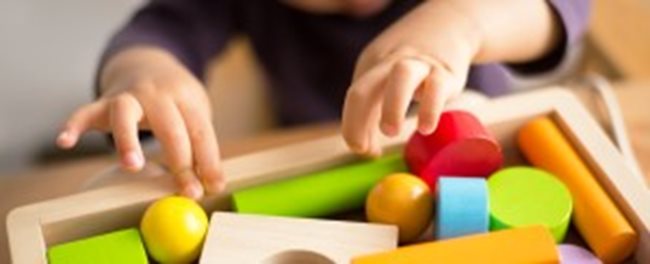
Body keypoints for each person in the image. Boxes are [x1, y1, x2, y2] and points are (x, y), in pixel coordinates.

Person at [56, 0, 590, 199]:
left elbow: (562, 10)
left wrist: (464, 20)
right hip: (312, 141)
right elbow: (159, 28)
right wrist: (143, 74)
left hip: (471, 150)